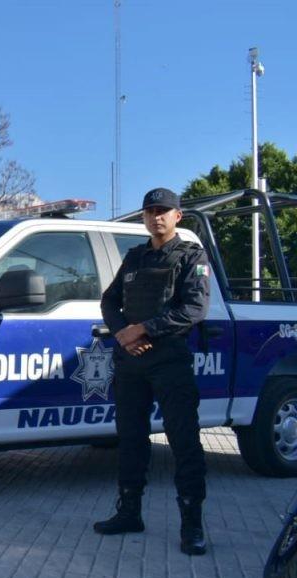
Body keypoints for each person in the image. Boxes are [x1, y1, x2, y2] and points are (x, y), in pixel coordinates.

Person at [95, 187, 211, 556]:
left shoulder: (192, 256)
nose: (156, 217)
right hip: (131, 361)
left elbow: (194, 308)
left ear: (178, 216)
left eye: (164, 211)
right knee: (130, 438)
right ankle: (129, 512)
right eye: (150, 211)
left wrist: (143, 330)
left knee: (184, 441)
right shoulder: (134, 257)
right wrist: (123, 334)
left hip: (169, 360)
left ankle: (192, 523)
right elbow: (110, 300)